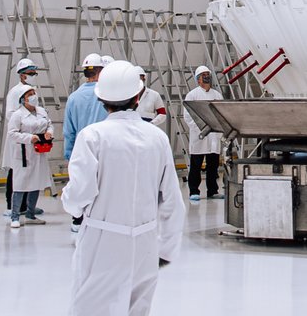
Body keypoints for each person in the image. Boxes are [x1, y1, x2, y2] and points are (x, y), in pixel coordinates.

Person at [61, 60, 185, 316]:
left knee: (90, 308)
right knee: (137, 309)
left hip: (102, 241)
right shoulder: (157, 138)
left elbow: (80, 193)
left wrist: (70, 204)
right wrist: (167, 248)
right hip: (145, 242)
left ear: (101, 99)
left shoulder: (93, 136)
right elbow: (173, 200)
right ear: (138, 97)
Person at [64, 53, 108, 231]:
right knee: (102, 188)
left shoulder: (73, 97)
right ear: (100, 71)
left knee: (80, 185)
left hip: (80, 151)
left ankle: (77, 220)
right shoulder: (106, 96)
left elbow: (68, 131)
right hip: (104, 151)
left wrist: (69, 154)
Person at [6, 85, 54, 228]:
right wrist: (29, 138)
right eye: (30, 94)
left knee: (36, 183)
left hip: (39, 152)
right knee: (20, 185)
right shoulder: (17, 115)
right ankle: (15, 216)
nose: (33, 96)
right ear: (23, 99)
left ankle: (30, 214)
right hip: (24, 154)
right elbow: (12, 133)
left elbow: (49, 125)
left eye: (34, 93)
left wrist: (49, 133)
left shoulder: (42, 112)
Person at [183, 66, 224, 202]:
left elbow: (222, 113)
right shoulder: (192, 95)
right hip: (199, 135)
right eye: (203, 75)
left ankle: (213, 191)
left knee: (213, 165)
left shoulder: (217, 95)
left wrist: (218, 130)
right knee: (196, 165)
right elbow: (188, 116)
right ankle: (194, 191)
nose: (206, 77)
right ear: (198, 79)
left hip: (214, 134)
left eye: (208, 74)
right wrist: (201, 129)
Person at [4, 58, 39, 210]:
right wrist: (25, 121)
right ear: (22, 74)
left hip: (31, 138)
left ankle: (27, 205)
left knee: (29, 171)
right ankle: (12, 206)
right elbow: (10, 114)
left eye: (34, 73)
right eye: (30, 73)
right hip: (19, 138)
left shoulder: (32, 91)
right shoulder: (15, 92)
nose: (32, 75)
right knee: (16, 171)